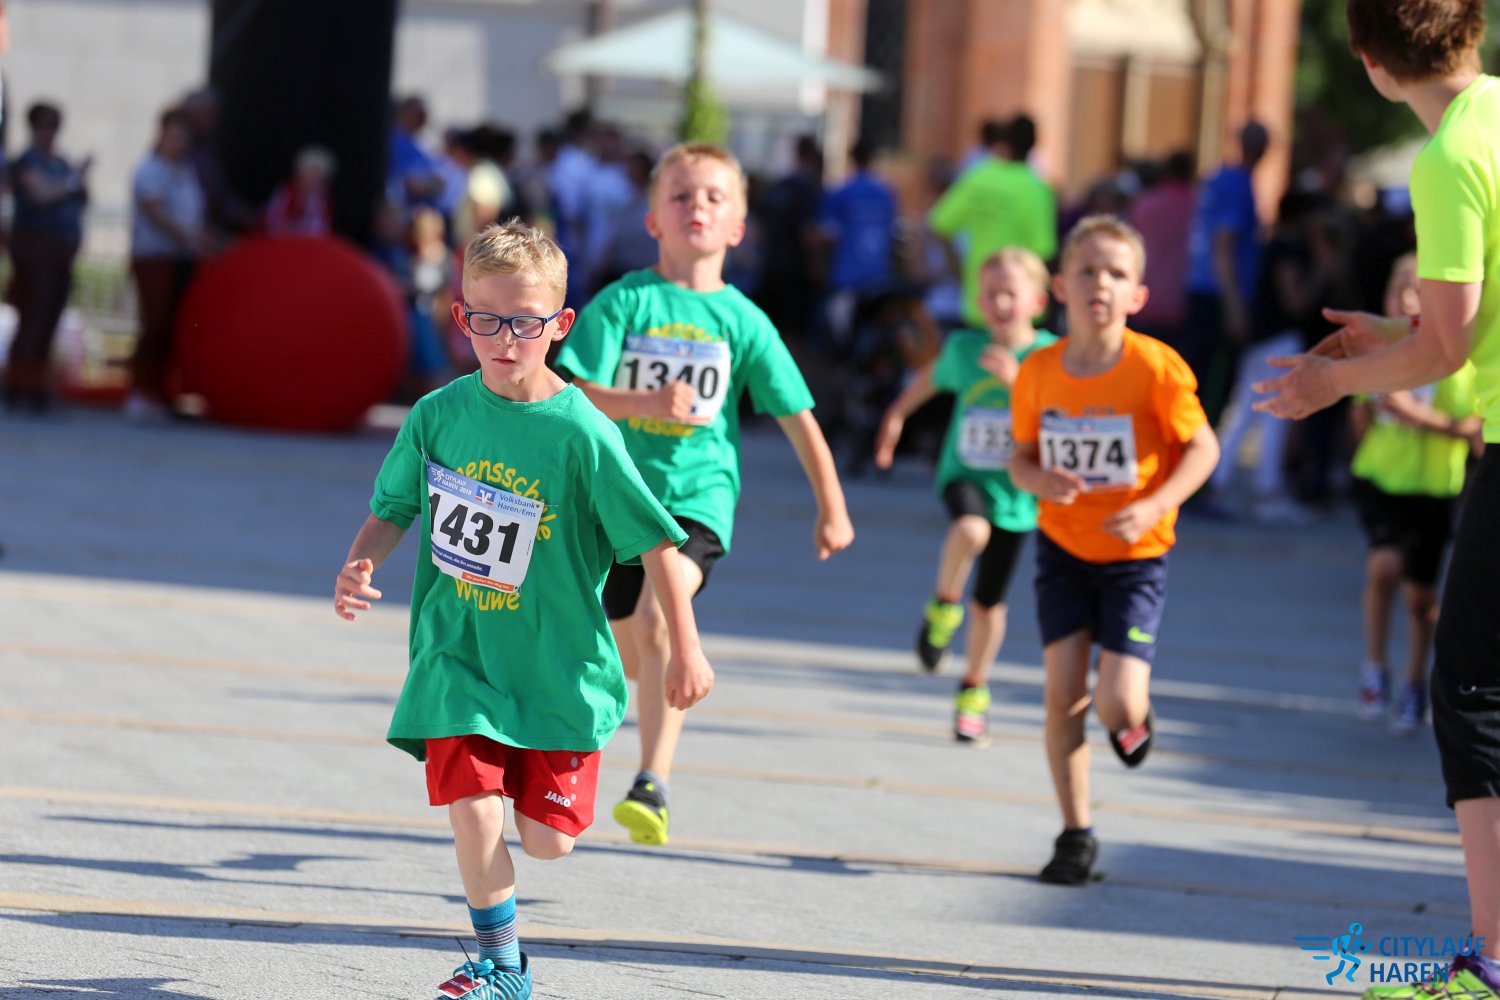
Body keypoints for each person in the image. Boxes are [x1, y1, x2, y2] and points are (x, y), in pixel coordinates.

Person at [334, 220, 712, 1000]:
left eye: (525, 323)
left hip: (556, 670)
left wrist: (686, 647)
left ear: (560, 324)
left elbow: (655, 543)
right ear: (461, 317)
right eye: (487, 320)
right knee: (473, 811)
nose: (505, 339)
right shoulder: (438, 415)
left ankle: (522, 881)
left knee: (545, 843)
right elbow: (394, 506)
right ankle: (502, 967)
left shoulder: (583, 432)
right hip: (459, 656)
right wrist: (361, 560)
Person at [1253, 3, 1500, 994]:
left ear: (1370, 62)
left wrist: (1334, 381)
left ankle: (1492, 963)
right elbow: (1465, 333)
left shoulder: (1449, 158)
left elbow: (1446, 348)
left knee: (1473, 697)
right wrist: (1389, 338)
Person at [555, 141, 855, 846]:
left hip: (697, 499)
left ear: (738, 227)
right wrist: (644, 403)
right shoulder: (624, 301)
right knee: (627, 651)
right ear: (653, 219)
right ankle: (626, 705)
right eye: (681, 195)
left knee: (662, 616)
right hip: (613, 499)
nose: (698, 207)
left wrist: (832, 506)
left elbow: (797, 417)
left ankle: (651, 781)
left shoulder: (744, 321)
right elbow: (572, 394)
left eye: (714, 197)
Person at [1008, 215, 1220, 886]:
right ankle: (1076, 834)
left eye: (1117, 273)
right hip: (1063, 550)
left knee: (1117, 704)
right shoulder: (1038, 370)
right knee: (1062, 695)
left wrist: (1157, 504)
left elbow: (1204, 448)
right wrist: (1038, 480)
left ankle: (1133, 720)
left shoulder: (1154, 367)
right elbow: (1019, 457)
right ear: (1060, 287)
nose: (1101, 283)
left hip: (1136, 557)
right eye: (1087, 270)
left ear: (1137, 295)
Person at [873, 247, 1056, 742]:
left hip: (1019, 492)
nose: (999, 303)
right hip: (966, 475)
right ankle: (943, 606)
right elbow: (925, 383)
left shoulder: (1048, 357)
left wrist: (1019, 386)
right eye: (989, 293)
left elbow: (1059, 422)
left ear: (1037, 302)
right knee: (970, 530)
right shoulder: (963, 348)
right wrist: (895, 417)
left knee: (990, 605)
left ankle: (974, 689)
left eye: (1010, 293)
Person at [1348, 252, 1479, 734]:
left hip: (1433, 487)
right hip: (1380, 479)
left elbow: (1473, 429)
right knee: (1383, 567)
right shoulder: (1378, 350)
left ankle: (1414, 680)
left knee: (1420, 596)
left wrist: (1416, 417)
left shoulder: (1459, 359)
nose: (1405, 300)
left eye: (1418, 291)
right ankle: (1373, 667)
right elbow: (1360, 413)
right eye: (1397, 289)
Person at [928, 115, 1058, 331]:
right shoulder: (1037, 188)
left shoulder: (979, 177)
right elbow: (1043, 251)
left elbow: (940, 223)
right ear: (1034, 145)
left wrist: (959, 273)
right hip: (1020, 309)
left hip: (979, 301)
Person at [3, 100, 89, 413]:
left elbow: (79, 198)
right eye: (45, 124)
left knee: (50, 318)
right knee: (33, 317)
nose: (50, 131)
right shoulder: (27, 161)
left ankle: (37, 386)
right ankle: (19, 385)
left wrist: (78, 181)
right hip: (35, 250)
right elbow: (41, 195)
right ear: (33, 127)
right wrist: (72, 180)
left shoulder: (61, 163)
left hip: (60, 252)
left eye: (54, 125)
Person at [1181, 121, 1267, 425]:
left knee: (1201, 381)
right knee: (1211, 390)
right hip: (1218, 297)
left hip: (1205, 291)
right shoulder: (1236, 184)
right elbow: (1223, 246)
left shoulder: (1219, 178)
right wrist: (1235, 307)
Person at [125, 105, 207, 421]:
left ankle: (160, 392)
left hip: (181, 257)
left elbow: (193, 215)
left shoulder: (186, 171)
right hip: (154, 256)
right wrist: (189, 236)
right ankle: (140, 391)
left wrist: (205, 239)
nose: (178, 144)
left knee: (171, 327)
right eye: (173, 137)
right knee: (154, 324)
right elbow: (156, 213)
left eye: (183, 139)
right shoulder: (150, 170)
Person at [263, 145, 334, 237]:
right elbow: (274, 221)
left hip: (314, 242)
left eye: (318, 177)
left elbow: (324, 225)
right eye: (310, 174)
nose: (313, 179)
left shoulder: (323, 198)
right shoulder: (287, 192)